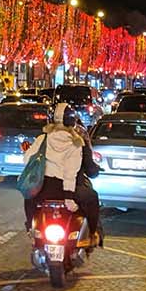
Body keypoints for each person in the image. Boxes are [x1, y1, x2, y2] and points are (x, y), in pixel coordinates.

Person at [22, 102, 103, 247]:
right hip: (66, 190)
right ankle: (92, 234)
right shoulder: (76, 142)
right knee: (92, 198)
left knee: (28, 197)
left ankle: (30, 229)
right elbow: (70, 173)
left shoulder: (42, 139)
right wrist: (68, 198)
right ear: (72, 121)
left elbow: (27, 159)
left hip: (43, 189)